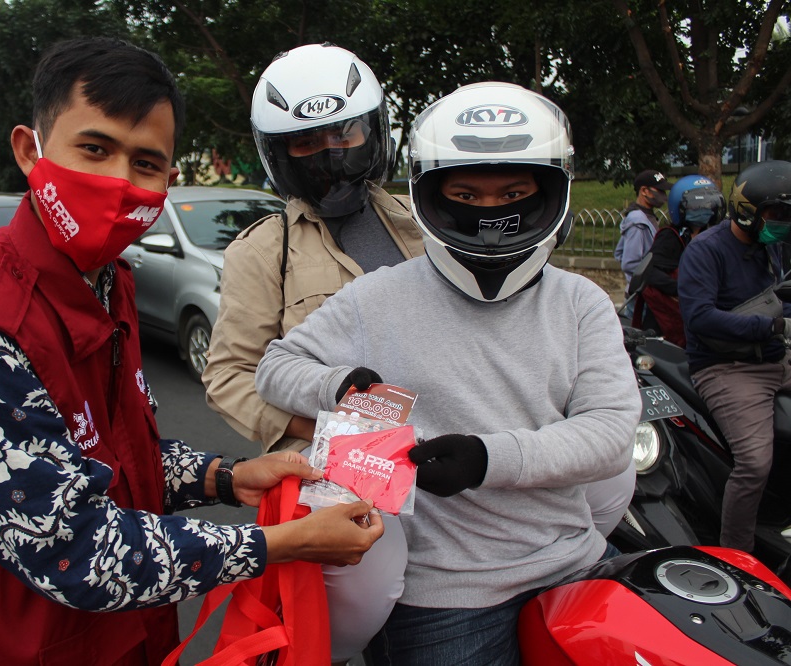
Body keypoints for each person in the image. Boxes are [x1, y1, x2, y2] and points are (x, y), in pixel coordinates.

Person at [0, 37, 384, 666]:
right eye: (95, 149)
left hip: (128, 638)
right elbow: (70, 548)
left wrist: (227, 477)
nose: (119, 182)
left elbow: (115, 454)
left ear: (169, 179)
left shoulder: (107, 281)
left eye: (146, 163)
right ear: (28, 150)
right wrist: (280, 544)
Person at [255, 82, 641, 665]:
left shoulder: (581, 302)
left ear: (547, 190)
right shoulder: (377, 297)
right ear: (431, 192)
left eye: (513, 191)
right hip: (443, 598)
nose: (490, 210)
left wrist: (488, 459)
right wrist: (337, 386)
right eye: (465, 192)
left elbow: (612, 434)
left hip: (574, 568)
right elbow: (274, 368)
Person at [201, 43, 421, 665]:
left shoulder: (418, 226)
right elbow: (228, 375)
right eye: (306, 141)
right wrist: (323, 427)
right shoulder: (263, 251)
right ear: (279, 152)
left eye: (345, 131)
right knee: (340, 629)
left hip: (444, 466)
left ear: (372, 129)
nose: (331, 152)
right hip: (338, 480)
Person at [677, 159, 791, 555]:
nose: (784, 223)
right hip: (727, 368)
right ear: (748, 211)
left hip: (775, 359)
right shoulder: (706, 251)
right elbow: (700, 317)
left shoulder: (771, 248)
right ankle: (738, 553)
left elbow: (779, 301)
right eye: (777, 215)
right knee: (755, 463)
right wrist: (772, 327)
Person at [632, 174, 725, 346]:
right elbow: (651, 273)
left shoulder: (713, 236)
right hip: (668, 322)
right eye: (697, 206)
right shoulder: (671, 237)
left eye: (708, 205)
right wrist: (685, 289)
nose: (704, 209)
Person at [615, 169, 673, 315]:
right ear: (644, 191)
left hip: (648, 295)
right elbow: (630, 263)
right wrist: (652, 279)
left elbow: (619, 252)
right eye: (659, 191)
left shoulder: (647, 217)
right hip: (641, 298)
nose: (663, 197)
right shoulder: (638, 222)